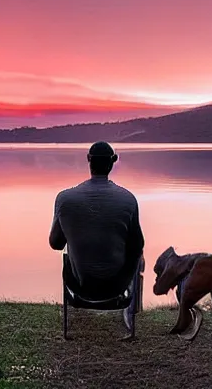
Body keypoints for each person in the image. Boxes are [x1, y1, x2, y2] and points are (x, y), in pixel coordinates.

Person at [49, 141, 145, 330]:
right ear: (113, 162)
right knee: (137, 255)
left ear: (88, 160)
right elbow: (137, 245)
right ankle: (134, 310)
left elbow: (56, 243)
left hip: (79, 287)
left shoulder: (64, 198)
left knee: (70, 254)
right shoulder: (128, 199)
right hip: (116, 288)